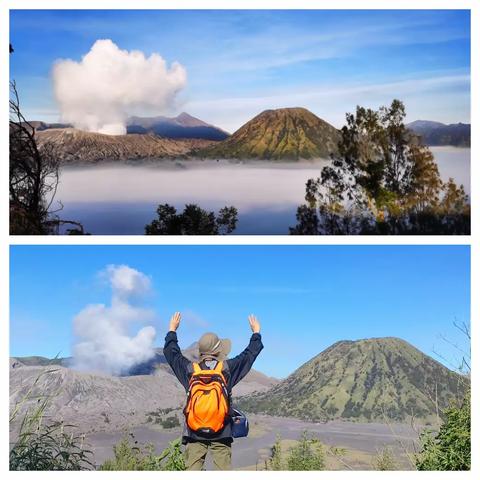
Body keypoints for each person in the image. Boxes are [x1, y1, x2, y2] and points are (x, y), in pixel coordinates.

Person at [163, 311, 263, 470]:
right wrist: (256, 333)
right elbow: (250, 353)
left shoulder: (190, 370)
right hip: (222, 432)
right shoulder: (227, 370)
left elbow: (171, 352)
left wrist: (172, 330)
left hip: (194, 432)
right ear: (218, 352)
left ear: (201, 352)